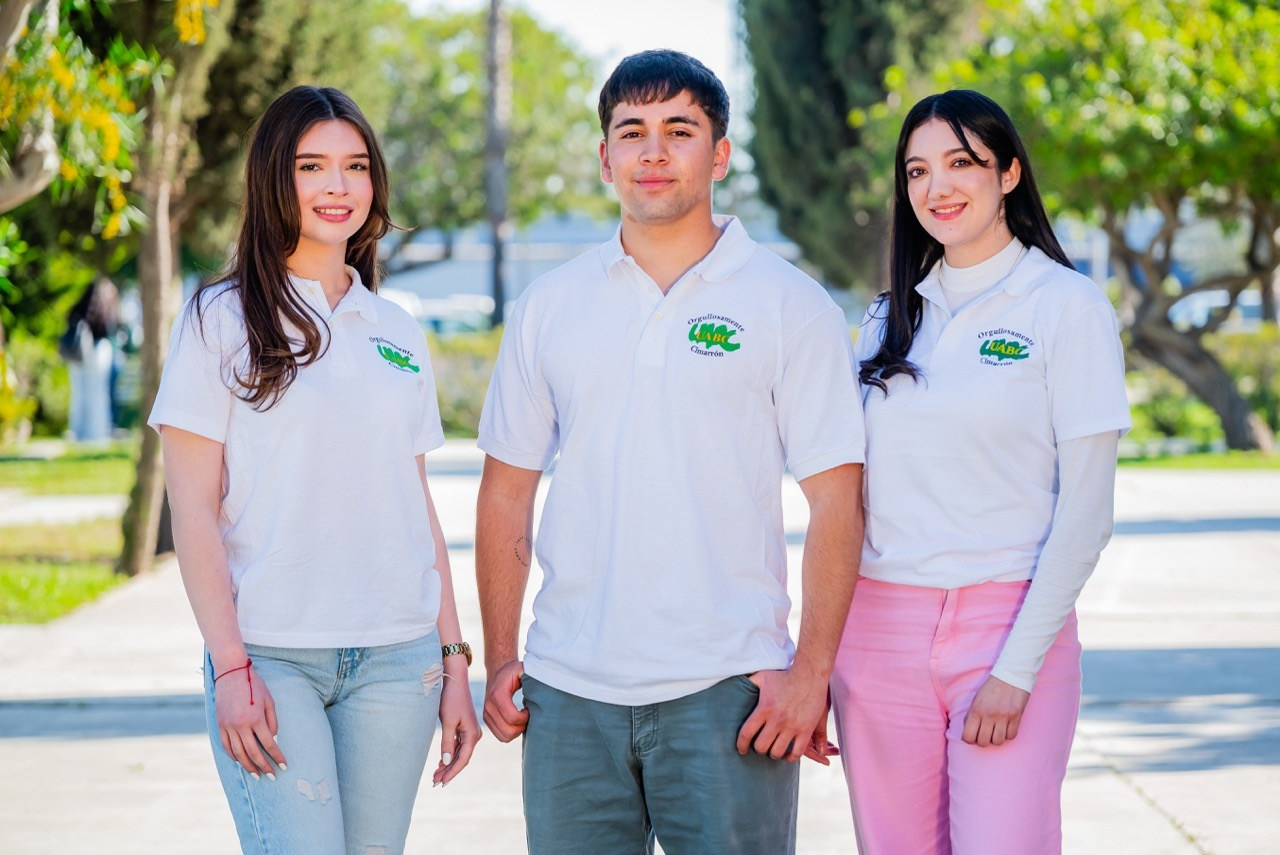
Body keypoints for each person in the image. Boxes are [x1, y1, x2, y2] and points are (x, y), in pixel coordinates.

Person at [476, 50, 865, 854]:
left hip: (728, 690)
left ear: (719, 154)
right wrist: (505, 654)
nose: (653, 152)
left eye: (678, 130)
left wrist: (811, 672)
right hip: (568, 690)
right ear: (605, 154)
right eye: (632, 132)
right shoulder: (550, 306)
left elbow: (837, 500)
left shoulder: (790, 306)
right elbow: (506, 491)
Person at [149, 86, 480, 854]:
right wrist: (231, 666)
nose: (338, 187)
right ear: (275, 179)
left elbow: (416, 505)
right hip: (272, 658)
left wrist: (454, 657)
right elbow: (193, 510)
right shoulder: (219, 319)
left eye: (356, 166)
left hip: (400, 663)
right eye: (312, 166)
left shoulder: (396, 329)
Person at [830, 89, 1131, 854]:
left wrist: (1018, 666)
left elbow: (1087, 511)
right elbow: (845, 496)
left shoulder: (1066, 307)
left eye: (962, 162)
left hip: (1007, 624)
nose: (938, 187)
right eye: (917, 170)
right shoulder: (885, 317)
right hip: (878, 633)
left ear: (1008, 175)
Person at [64, 276, 120, 441]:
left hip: (78, 354)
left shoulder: (79, 309)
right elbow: (113, 329)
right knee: (98, 394)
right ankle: (96, 433)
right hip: (98, 352)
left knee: (79, 393)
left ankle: (78, 431)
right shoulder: (105, 309)